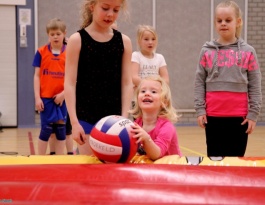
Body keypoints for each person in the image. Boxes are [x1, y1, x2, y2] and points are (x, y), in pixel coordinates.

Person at [64, 0, 133, 155]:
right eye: (105, 8)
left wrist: (124, 118)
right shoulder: (77, 40)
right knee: (89, 172)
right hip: (85, 117)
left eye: (116, 10)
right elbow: (69, 83)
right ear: (92, 6)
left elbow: (127, 83)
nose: (110, 14)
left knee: (112, 173)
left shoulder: (124, 42)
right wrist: (74, 123)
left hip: (114, 119)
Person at [194, 0, 262, 157]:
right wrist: (200, 109)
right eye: (219, 21)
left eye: (228, 20)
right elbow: (199, 81)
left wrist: (253, 114)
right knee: (215, 160)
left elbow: (255, 84)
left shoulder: (248, 51)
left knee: (236, 161)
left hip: (239, 118)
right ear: (215, 23)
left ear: (238, 22)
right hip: (213, 116)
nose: (223, 24)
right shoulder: (206, 51)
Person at [33, 18, 67, 155]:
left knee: (61, 130)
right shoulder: (41, 52)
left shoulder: (69, 52)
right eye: (52, 34)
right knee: (46, 129)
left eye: (58, 33)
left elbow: (74, 78)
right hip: (46, 98)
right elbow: (36, 76)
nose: (55, 37)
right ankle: (39, 159)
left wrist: (64, 94)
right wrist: (37, 98)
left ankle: (60, 161)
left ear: (64, 33)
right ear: (48, 35)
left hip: (62, 98)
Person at [129, 76, 182, 161]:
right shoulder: (136, 124)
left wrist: (146, 139)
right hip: (150, 168)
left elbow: (157, 154)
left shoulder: (167, 127)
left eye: (153, 92)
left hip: (172, 169)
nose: (147, 94)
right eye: (143, 91)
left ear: (164, 101)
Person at [131, 24, 169, 89]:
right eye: (146, 39)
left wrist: (155, 87)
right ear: (139, 41)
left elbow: (166, 79)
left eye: (153, 39)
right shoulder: (136, 55)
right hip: (140, 93)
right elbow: (133, 77)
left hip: (155, 93)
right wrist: (148, 86)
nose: (150, 42)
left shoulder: (160, 58)